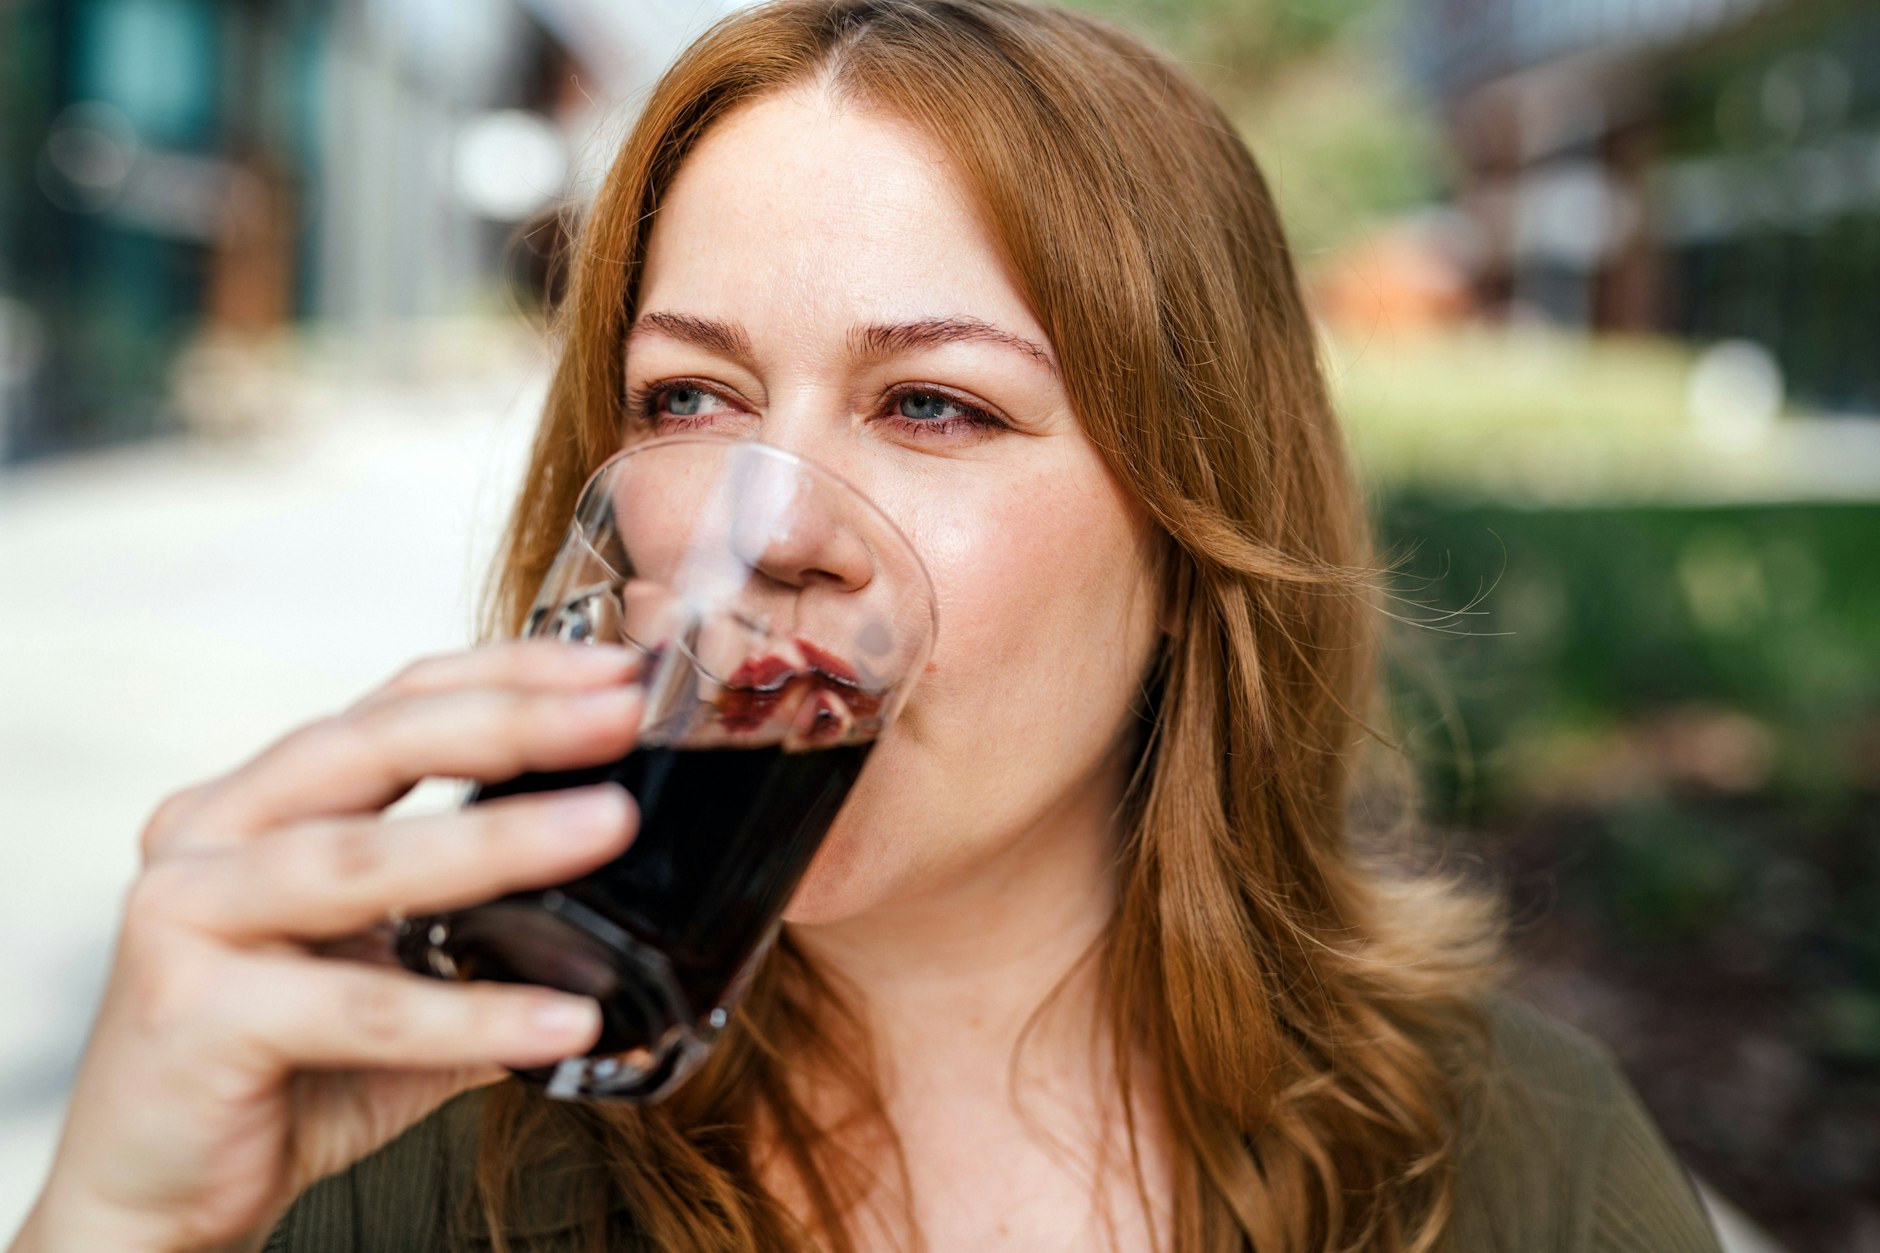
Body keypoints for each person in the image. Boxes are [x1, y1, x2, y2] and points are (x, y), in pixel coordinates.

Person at [10, 2, 1726, 1250]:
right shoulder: (390, 1150)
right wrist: (116, 1225)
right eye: (688, 397)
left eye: (933, 407)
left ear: (1196, 528)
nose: (784, 532)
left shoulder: (1528, 1172)